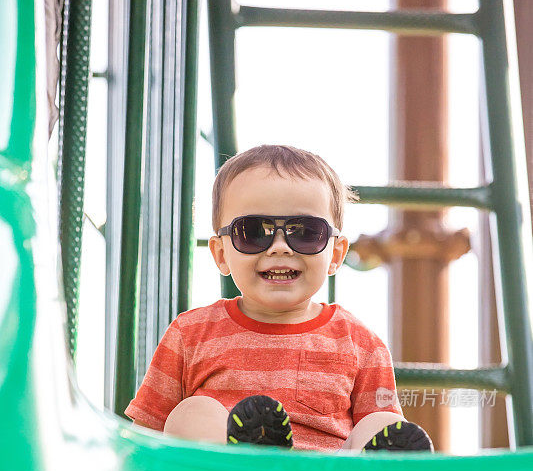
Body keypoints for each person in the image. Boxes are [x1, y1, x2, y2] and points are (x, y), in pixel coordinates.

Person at [125, 145, 433, 453]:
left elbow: (378, 428)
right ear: (221, 254)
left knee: (378, 422)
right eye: (254, 232)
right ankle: (252, 458)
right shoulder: (190, 334)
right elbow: (144, 434)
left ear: (336, 254)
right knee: (193, 414)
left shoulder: (360, 343)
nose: (280, 247)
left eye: (306, 232)